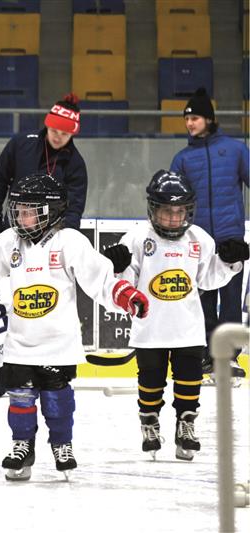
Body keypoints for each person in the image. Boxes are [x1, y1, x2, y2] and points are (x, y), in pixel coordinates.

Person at [0, 173, 149, 481]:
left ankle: (63, 444)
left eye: (29, 210)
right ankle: (22, 445)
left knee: (57, 399)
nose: (21, 217)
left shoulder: (68, 241)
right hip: (20, 343)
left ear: (51, 210)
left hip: (59, 344)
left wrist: (124, 295)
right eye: (18, 210)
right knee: (20, 396)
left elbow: (99, 279)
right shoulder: (10, 242)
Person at [101, 170, 245, 461]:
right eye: (167, 212)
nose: (173, 219)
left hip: (188, 328)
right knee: (151, 381)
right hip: (149, 330)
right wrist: (116, 267)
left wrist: (229, 262)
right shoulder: (138, 239)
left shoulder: (199, 239)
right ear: (154, 210)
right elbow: (124, 284)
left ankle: (186, 425)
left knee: (189, 380)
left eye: (180, 212)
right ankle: (150, 422)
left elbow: (207, 279)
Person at [170, 87, 249, 381]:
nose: (190, 123)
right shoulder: (182, 159)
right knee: (200, 298)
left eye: (195, 117)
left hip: (231, 238)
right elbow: (172, 202)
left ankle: (228, 358)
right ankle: (206, 356)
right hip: (197, 241)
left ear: (209, 119)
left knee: (230, 298)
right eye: (187, 118)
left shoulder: (236, 149)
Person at [0, 93, 88, 242]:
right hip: (14, 226)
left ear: (72, 134)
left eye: (64, 134)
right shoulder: (21, 144)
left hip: (50, 236)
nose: (58, 137)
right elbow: (0, 177)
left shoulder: (76, 164)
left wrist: (66, 238)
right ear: (47, 125)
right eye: (54, 131)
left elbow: (74, 208)